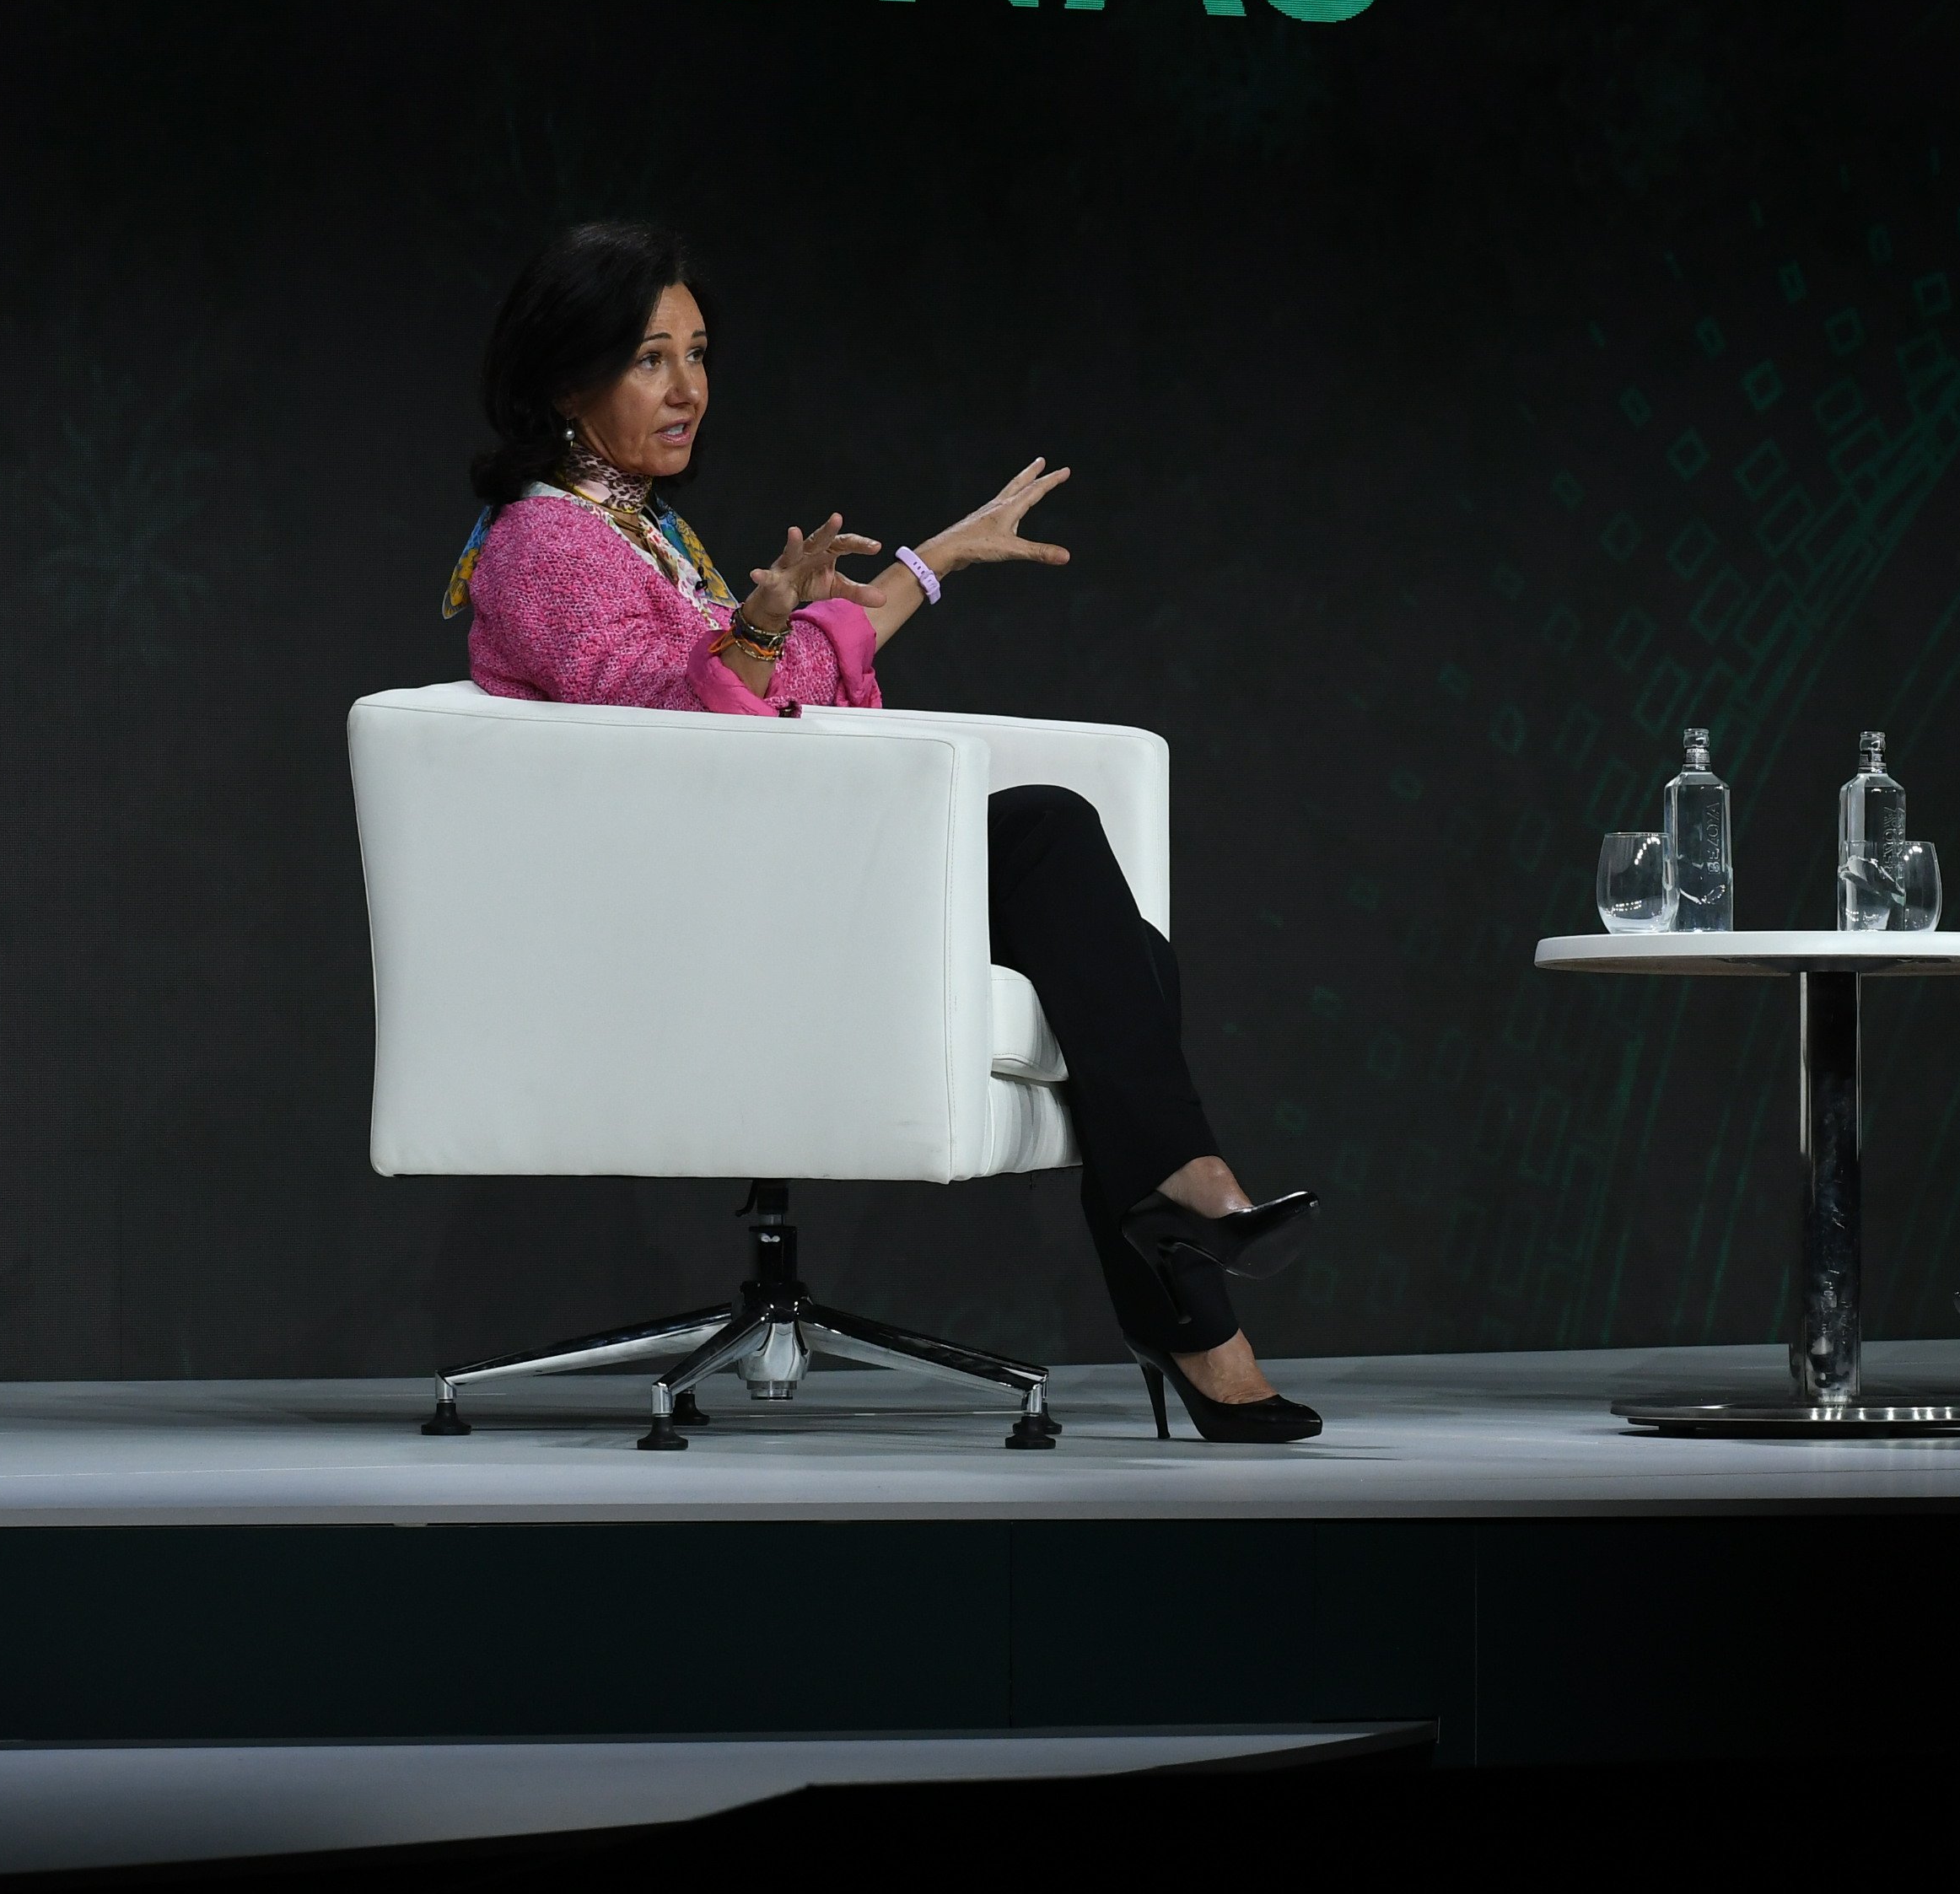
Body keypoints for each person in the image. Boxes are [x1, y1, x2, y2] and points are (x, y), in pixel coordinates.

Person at [447, 221, 1321, 1443]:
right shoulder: (547, 544)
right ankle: (1185, 1278)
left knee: (1120, 950)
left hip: (746, 871)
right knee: (1051, 839)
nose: (690, 387)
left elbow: (784, 666)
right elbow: (654, 733)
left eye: (698, 353)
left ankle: (1190, 1291)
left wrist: (936, 558)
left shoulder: (634, 528)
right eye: (651, 358)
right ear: (562, 379)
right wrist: (751, 627)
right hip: (682, 914)